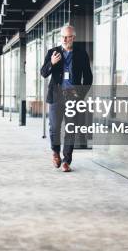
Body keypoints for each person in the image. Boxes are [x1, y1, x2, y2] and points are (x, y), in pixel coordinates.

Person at [40, 25, 93, 172]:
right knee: (54, 127)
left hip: (73, 97)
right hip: (56, 96)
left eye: (67, 36)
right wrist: (52, 63)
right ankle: (55, 152)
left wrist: (80, 94)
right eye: (62, 36)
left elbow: (88, 77)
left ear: (73, 38)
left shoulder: (82, 54)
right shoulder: (53, 52)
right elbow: (43, 73)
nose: (64, 39)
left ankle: (66, 161)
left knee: (70, 129)